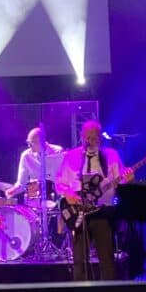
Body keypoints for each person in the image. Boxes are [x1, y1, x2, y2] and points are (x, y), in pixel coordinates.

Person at [55, 120, 134, 281]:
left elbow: (121, 180)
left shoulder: (111, 155)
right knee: (79, 260)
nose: (91, 141)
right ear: (81, 137)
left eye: (95, 137)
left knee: (106, 258)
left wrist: (128, 178)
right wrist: (69, 193)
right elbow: (59, 183)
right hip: (78, 212)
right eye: (88, 137)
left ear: (100, 138)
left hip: (102, 211)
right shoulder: (71, 156)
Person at [6, 127, 64, 202]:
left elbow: (64, 177)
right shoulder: (26, 156)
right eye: (28, 143)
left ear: (41, 142)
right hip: (35, 199)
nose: (29, 146)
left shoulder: (58, 152)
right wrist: (12, 191)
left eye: (31, 143)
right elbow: (21, 183)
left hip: (56, 197)